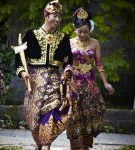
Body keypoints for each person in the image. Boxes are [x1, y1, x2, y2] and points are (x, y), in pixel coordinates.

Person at [15, 1, 76, 150]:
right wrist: (22, 72)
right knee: (35, 118)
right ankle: (39, 144)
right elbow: (18, 56)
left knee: (51, 112)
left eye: (59, 16)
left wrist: (68, 70)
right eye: (54, 16)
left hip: (54, 81)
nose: (57, 19)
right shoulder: (30, 34)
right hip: (34, 83)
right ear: (46, 15)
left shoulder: (64, 37)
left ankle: (46, 145)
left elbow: (68, 59)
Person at [66, 7, 115, 150]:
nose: (82, 34)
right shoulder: (69, 43)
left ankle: (85, 146)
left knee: (90, 114)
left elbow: (99, 64)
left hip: (90, 85)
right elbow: (65, 63)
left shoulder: (95, 43)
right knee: (73, 116)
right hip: (73, 84)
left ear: (90, 30)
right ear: (75, 29)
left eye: (85, 31)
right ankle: (75, 146)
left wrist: (106, 83)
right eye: (79, 31)